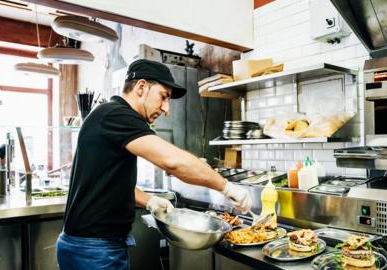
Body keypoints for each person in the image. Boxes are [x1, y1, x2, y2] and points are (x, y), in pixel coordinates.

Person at [56, 59, 252, 270]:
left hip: (91, 247)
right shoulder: (118, 115)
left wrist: (148, 200)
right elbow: (173, 162)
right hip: (94, 251)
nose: (166, 109)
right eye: (164, 97)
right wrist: (225, 186)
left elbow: (106, 183)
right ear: (141, 87)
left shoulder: (108, 115)